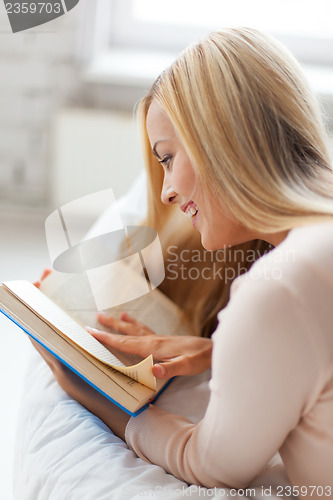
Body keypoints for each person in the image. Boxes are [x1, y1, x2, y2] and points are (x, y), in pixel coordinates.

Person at [33, 28, 333, 493]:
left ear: (225, 138)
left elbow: (211, 464)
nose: (168, 191)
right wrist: (221, 355)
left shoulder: (278, 290)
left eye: (168, 158)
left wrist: (98, 396)